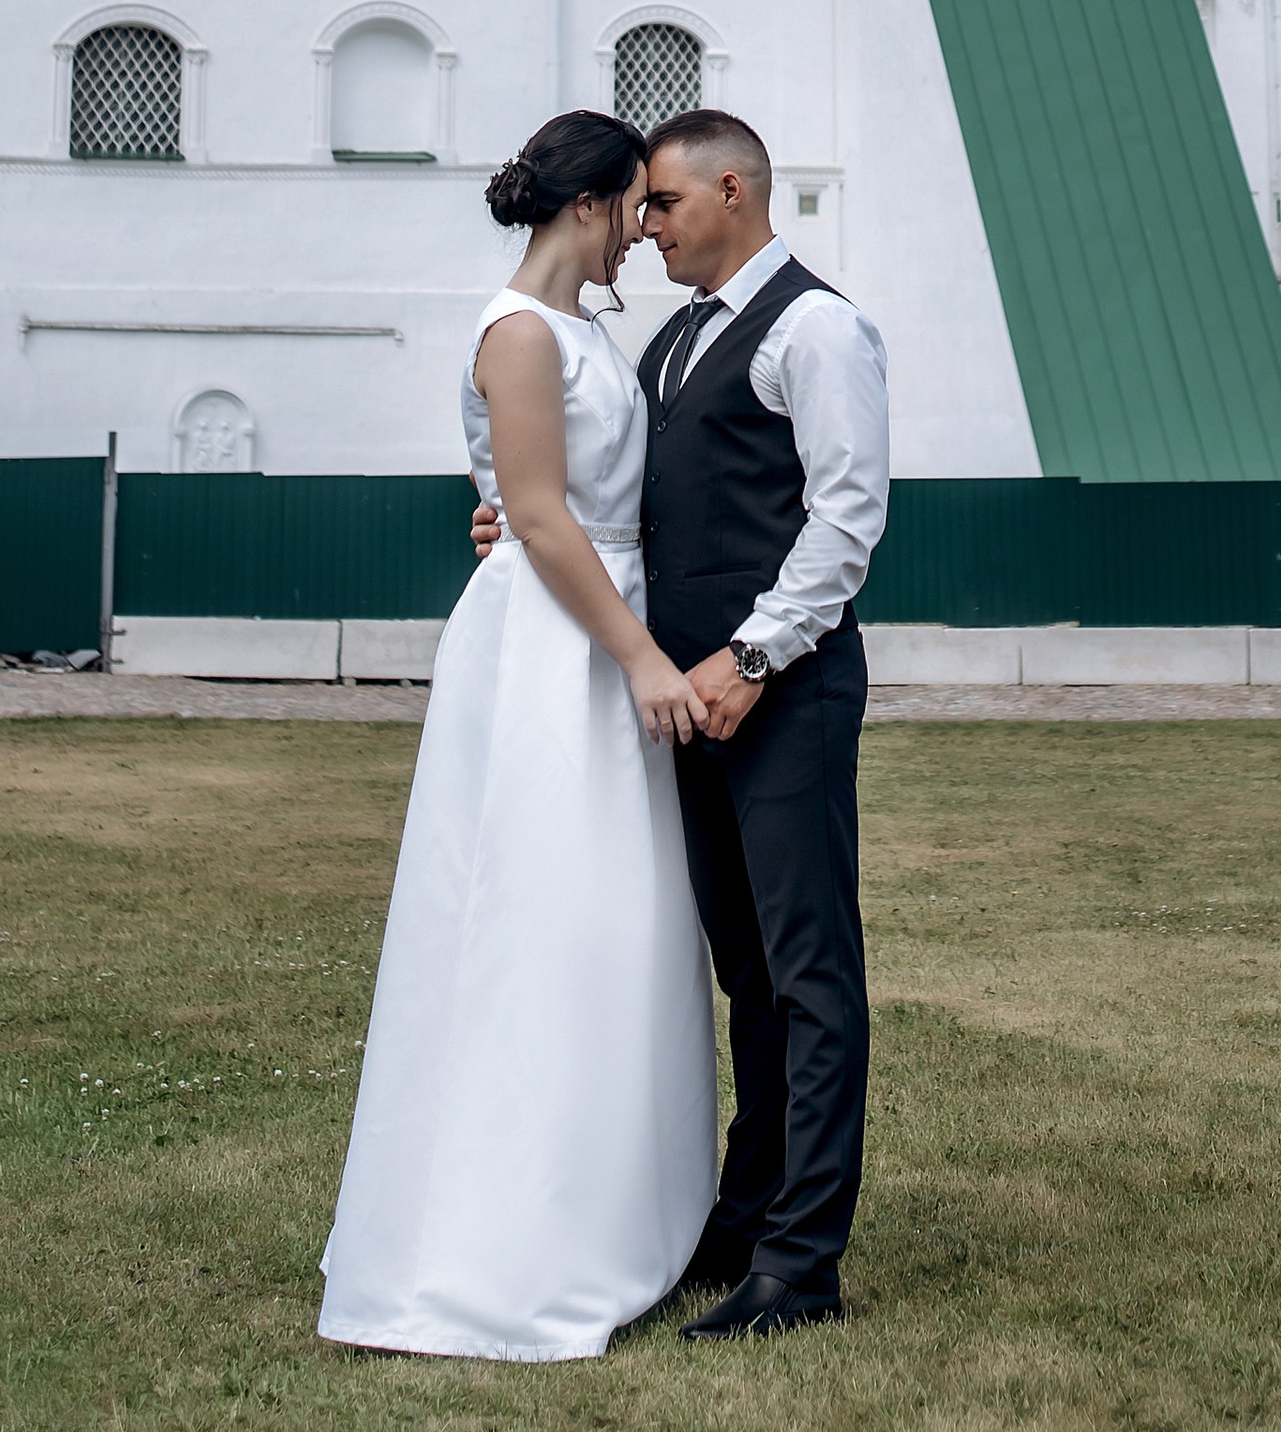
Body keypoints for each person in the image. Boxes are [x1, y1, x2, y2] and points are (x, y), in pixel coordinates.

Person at [474, 105, 890, 1338]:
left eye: (662, 203)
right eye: (639, 208)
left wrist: (755, 656)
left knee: (811, 972)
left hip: (781, 691)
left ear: (731, 191)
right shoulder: (666, 344)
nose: (644, 226)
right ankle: (746, 1213)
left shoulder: (817, 327)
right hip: (688, 700)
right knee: (744, 970)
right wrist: (517, 524)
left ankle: (801, 1262)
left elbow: (846, 518)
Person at [319, 110, 717, 1362]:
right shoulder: (519, 332)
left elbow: (545, 505)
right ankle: (511, 1233)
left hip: (591, 627)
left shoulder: (582, 335)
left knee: (616, 920)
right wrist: (643, 656)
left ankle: (619, 1207)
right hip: (559, 653)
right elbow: (542, 521)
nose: (641, 241)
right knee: (539, 914)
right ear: (591, 204)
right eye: (634, 212)